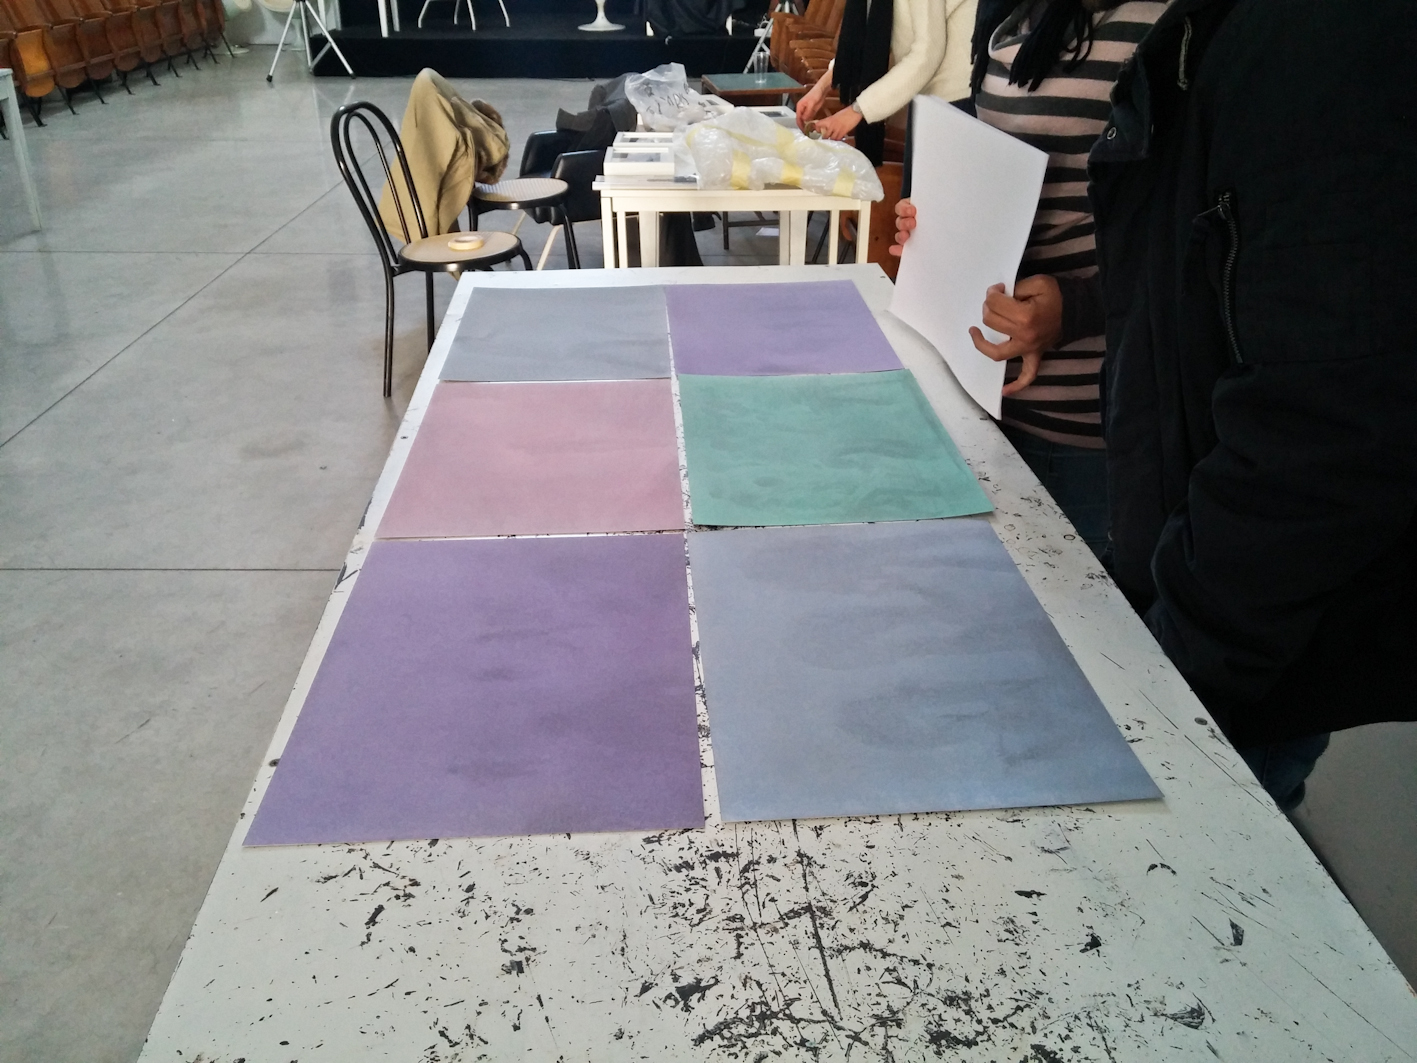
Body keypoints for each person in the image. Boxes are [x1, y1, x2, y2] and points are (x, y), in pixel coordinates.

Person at [1085, 0, 1416, 809]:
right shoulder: (1221, 29)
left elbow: (1326, 423)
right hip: (1199, 601)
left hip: (1235, 655)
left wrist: (1176, 670)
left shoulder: (1324, 40)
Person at [893, 0, 1171, 557]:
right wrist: (933, 227)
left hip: (1087, 422)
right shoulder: (1014, 15)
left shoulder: (1161, 25)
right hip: (980, 398)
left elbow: (1191, 237)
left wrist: (1079, 307)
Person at [795, 0, 977, 165]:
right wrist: (822, 88)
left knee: (932, 190)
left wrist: (858, 110)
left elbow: (927, 55)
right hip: (926, 98)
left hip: (956, 103)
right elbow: (871, 39)